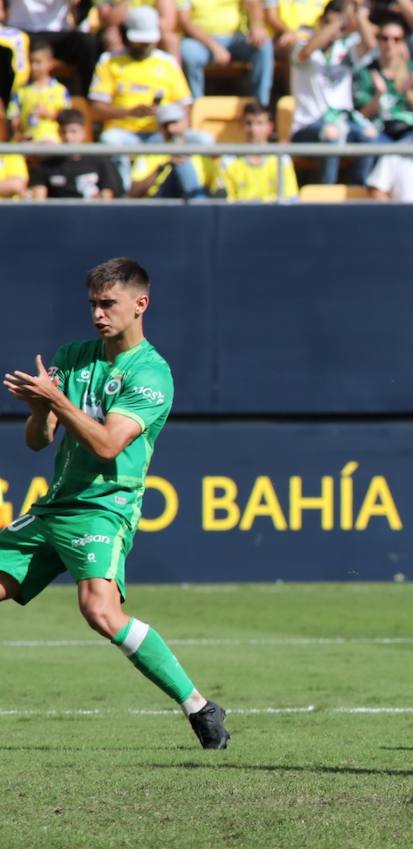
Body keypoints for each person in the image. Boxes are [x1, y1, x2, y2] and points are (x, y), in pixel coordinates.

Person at [1, 258, 231, 750]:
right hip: (54, 507)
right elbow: (38, 442)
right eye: (93, 305)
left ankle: (199, 707)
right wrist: (42, 409)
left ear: (139, 305)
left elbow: (108, 445)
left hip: (105, 508)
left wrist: (58, 402)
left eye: (109, 304)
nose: (98, 315)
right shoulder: (74, 355)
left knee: (99, 612)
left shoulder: (152, 374)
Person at [90, 6, 207, 189]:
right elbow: (96, 108)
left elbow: (185, 105)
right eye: (139, 42)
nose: (144, 46)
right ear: (126, 35)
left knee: (203, 141)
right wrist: (129, 113)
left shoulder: (167, 62)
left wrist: (167, 117)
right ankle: (123, 191)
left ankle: (197, 194)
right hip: (124, 133)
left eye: (148, 42)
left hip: (162, 133)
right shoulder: (109, 61)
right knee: (109, 141)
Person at [289, 0, 381, 185]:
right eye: (329, 24)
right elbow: (306, 52)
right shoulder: (301, 48)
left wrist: (360, 15)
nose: (334, 31)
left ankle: (358, 191)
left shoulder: (344, 51)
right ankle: (326, 196)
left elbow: (370, 44)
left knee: (370, 135)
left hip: (344, 122)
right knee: (331, 134)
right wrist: (339, 20)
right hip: (308, 125)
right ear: (321, 22)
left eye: (340, 26)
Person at [178, 0, 274, 104]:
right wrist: (214, 46)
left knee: (264, 45)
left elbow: (253, 3)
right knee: (188, 51)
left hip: (236, 38)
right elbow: (185, 20)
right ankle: (197, 105)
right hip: (201, 42)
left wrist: (257, 26)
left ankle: (260, 105)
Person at [355, 14, 413, 140]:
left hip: (409, 130)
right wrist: (378, 95)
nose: (390, 44)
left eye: (396, 39)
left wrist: (408, 92)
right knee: (368, 140)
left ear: (403, 42)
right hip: (378, 130)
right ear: (378, 41)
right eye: (385, 38)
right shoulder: (366, 71)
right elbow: (361, 116)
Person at [128, 103, 218, 199]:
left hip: (192, 200)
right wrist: (161, 168)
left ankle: (198, 207)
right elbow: (133, 193)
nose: (170, 129)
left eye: (174, 123)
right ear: (159, 128)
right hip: (160, 203)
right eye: (165, 125)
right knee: (181, 164)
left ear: (186, 122)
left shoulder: (201, 152)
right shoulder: (149, 153)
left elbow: (214, 188)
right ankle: (199, 208)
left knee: (183, 164)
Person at [29, 108, 122, 199]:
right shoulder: (47, 165)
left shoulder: (101, 160)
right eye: (63, 132)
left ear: (83, 132)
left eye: (73, 131)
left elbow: (108, 197)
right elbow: (38, 202)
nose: (68, 137)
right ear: (58, 133)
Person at [217, 101, 300, 201]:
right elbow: (225, 203)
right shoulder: (229, 162)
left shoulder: (281, 159)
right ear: (241, 125)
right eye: (249, 123)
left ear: (269, 127)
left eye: (259, 123)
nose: (253, 129)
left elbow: (291, 198)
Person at [7, 41, 68, 142]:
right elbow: (13, 117)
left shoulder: (60, 90)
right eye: (31, 62)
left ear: (50, 63)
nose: (34, 67)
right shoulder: (21, 91)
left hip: (53, 140)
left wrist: (48, 114)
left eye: (38, 62)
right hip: (28, 139)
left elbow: (68, 118)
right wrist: (18, 133)